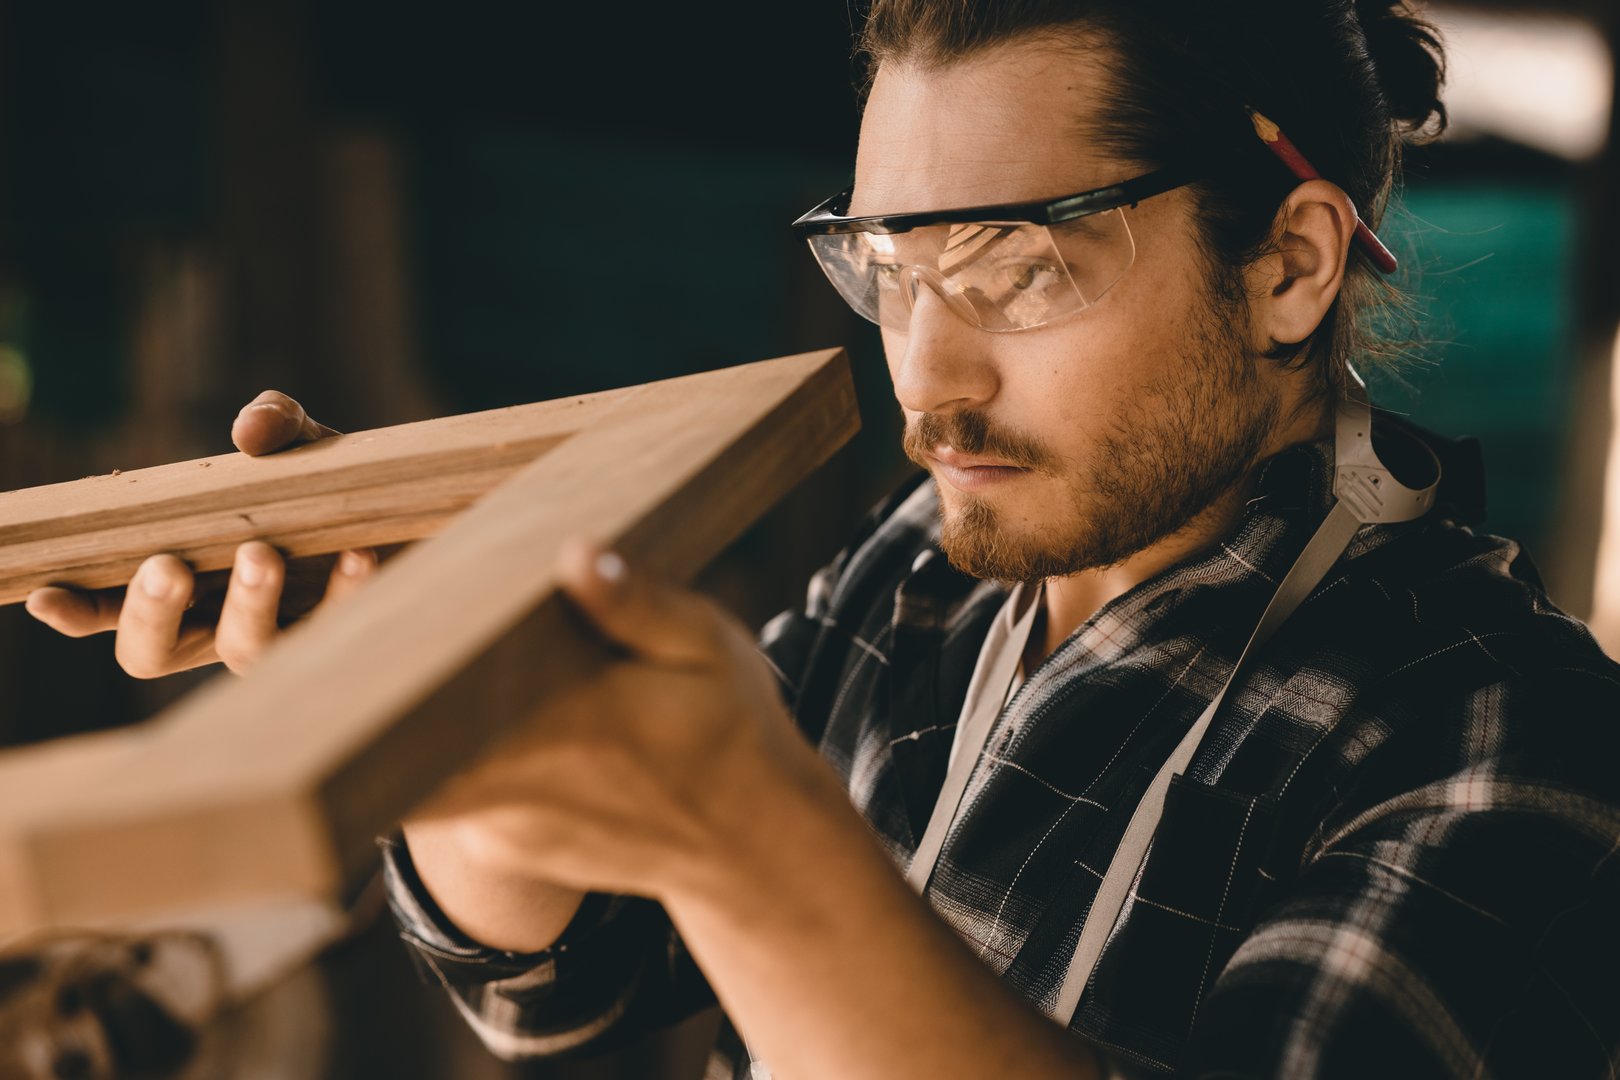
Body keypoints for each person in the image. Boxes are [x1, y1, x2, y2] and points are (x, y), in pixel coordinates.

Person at [28, 1, 1620, 1076]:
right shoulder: (917, 573)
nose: (928, 382)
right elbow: (572, 983)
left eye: (1012, 270)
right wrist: (453, 700)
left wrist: (741, 827)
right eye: (889, 274)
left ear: (1286, 264)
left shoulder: (1503, 739)